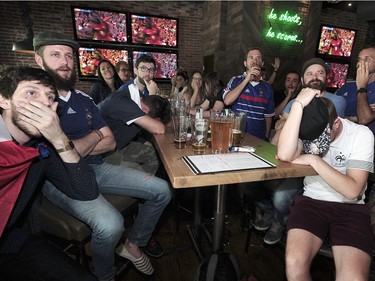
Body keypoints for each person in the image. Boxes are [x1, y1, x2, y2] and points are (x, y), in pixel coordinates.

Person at [33, 31, 172, 280]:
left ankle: (134, 244)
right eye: (55, 55)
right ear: (39, 61)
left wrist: (75, 145)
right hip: (57, 179)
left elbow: (109, 143)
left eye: (69, 56)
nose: (65, 61)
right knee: (111, 225)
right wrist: (93, 137)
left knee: (162, 190)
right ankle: (104, 276)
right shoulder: (35, 102)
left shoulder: (84, 99)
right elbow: (60, 156)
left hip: (97, 168)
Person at [0, 66, 98, 281]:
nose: (44, 103)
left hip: (11, 243)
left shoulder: (40, 149)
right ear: (4, 100)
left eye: (50, 97)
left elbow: (86, 191)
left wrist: (59, 139)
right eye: (31, 92)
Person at [278, 87, 374, 281]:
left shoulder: (361, 135)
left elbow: (353, 190)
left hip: (350, 209)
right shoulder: (308, 128)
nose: (314, 147)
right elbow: (284, 155)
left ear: (336, 123)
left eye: (320, 140)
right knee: (294, 265)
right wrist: (297, 105)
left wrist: (314, 160)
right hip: (312, 201)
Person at [253, 58, 347, 245]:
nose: (315, 77)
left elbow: (321, 129)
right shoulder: (297, 101)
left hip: (322, 167)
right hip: (295, 159)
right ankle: (274, 213)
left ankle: (279, 221)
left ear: (326, 78)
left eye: (319, 72)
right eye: (309, 73)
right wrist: (291, 116)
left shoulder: (337, 101)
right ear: (303, 81)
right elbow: (281, 128)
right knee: (250, 185)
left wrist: (290, 119)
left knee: (281, 197)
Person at [99, 92, 171, 174]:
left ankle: (145, 182)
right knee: (144, 174)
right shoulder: (122, 103)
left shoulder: (139, 100)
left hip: (119, 146)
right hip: (103, 154)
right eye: (153, 120)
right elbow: (159, 129)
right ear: (146, 110)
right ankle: (142, 181)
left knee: (155, 155)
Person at [223, 47, 274, 140]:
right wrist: (247, 79)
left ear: (262, 64)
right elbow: (227, 101)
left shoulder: (268, 88)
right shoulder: (235, 80)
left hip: (258, 140)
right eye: (251, 57)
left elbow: (268, 116)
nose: (255, 61)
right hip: (236, 136)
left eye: (258, 58)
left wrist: (266, 136)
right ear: (245, 63)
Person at [336, 43, 375, 136]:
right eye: (359, 60)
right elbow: (331, 113)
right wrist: (351, 119)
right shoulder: (347, 86)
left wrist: (361, 87)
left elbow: (364, 118)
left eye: (367, 59)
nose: (360, 63)